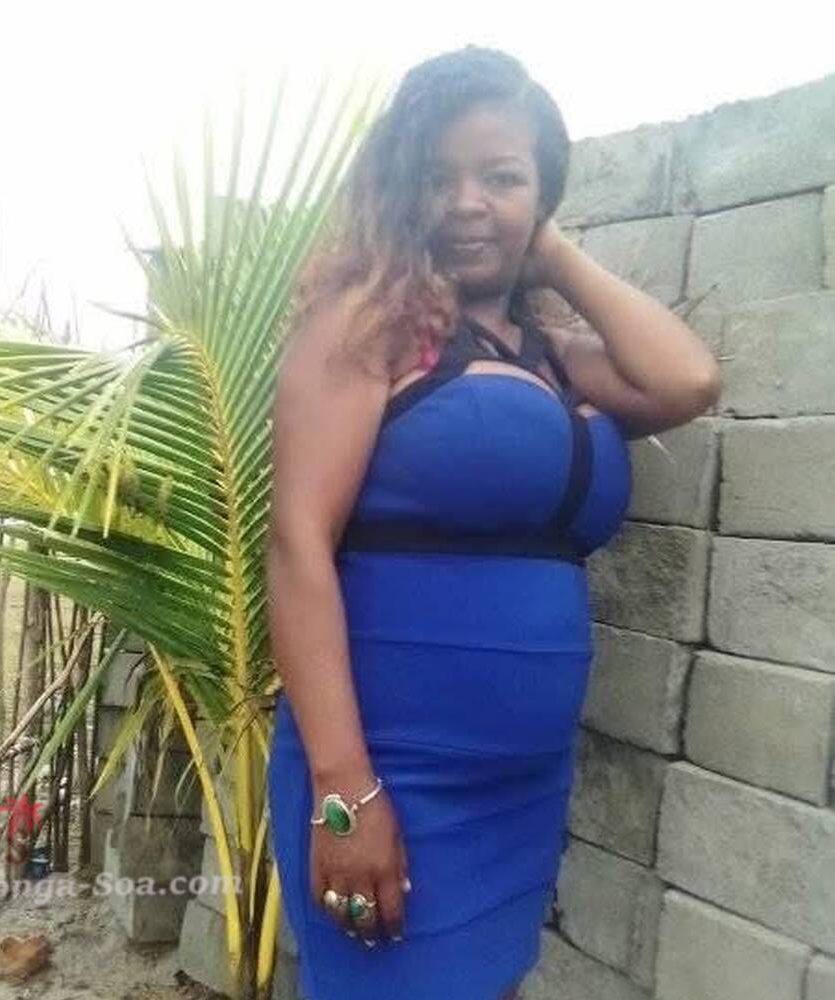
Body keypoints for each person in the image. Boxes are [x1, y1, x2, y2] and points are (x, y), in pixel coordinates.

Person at [264, 45, 720, 1000]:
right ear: (402, 191)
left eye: (503, 177)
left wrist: (551, 253)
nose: (467, 202)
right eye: (439, 178)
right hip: (389, 776)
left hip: (522, 786)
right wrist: (345, 794)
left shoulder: (551, 355)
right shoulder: (369, 321)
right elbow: (297, 544)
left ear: (543, 193)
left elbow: (686, 379)